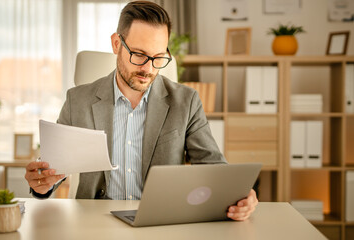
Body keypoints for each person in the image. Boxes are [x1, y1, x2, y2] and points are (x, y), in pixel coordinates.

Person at [25, 1, 258, 221]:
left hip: (160, 221)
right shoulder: (78, 100)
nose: (148, 68)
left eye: (158, 57)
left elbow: (214, 168)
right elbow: (52, 170)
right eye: (138, 54)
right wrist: (42, 184)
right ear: (117, 44)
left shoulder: (186, 102)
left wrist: (240, 195)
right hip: (94, 222)